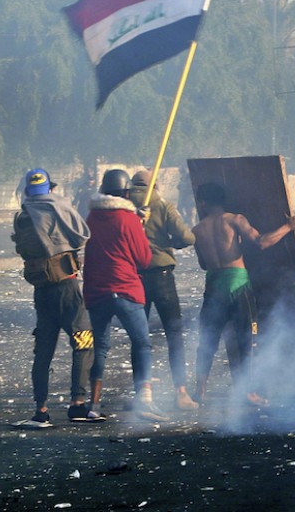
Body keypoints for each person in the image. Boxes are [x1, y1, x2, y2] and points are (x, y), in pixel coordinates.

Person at [191, 182, 295, 406]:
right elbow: (262, 242)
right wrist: (288, 227)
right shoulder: (235, 220)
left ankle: (199, 392)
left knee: (208, 341)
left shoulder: (197, 230)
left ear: (203, 202)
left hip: (213, 288)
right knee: (248, 340)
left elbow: (203, 264)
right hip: (238, 285)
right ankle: (248, 392)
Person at [11, 168, 102, 424]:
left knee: (43, 350)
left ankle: (41, 409)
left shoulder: (22, 216)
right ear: (50, 188)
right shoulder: (59, 208)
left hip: (42, 291)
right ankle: (77, 403)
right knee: (83, 342)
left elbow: (23, 248)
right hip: (68, 288)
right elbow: (81, 236)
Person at [83, 169, 169, 422]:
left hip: (96, 290)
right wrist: (139, 226)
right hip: (125, 289)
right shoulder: (127, 219)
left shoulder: (91, 218)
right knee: (141, 343)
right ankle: (144, 400)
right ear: (126, 193)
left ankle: (94, 405)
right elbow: (144, 258)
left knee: (100, 348)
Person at [130, 169, 199, 411]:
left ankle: (141, 393)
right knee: (174, 335)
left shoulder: (125, 209)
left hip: (134, 277)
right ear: (155, 186)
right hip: (161, 275)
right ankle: (181, 393)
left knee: (139, 338)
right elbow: (187, 237)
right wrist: (171, 242)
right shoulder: (163, 205)